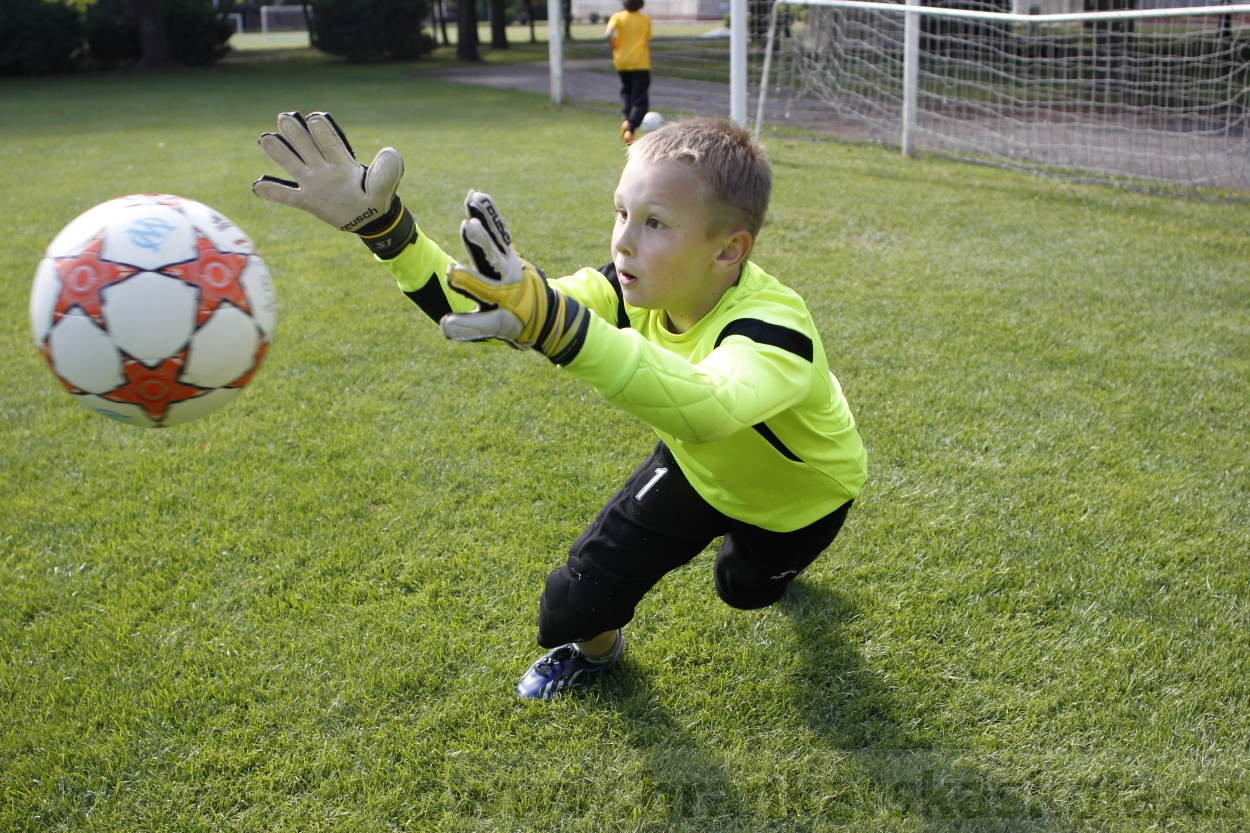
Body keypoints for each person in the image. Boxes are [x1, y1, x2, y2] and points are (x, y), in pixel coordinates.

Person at [252, 112, 868, 700]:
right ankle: (597, 653)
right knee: (576, 600)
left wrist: (559, 327)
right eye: (621, 213)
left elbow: (708, 409)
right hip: (699, 472)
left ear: (729, 250)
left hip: (799, 500)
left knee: (741, 589)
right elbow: (490, 310)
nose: (623, 241)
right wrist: (387, 230)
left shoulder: (774, 327)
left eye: (655, 223)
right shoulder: (628, 287)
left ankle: (765, 570)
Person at [605, 0, 652, 144]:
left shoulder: (617, 17)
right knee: (640, 97)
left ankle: (626, 118)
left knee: (627, 91)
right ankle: (631, 128)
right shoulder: (645, 20)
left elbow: (608, 33)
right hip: (640, 62)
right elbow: (647, 37)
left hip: (622, 61)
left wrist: (614, 45)